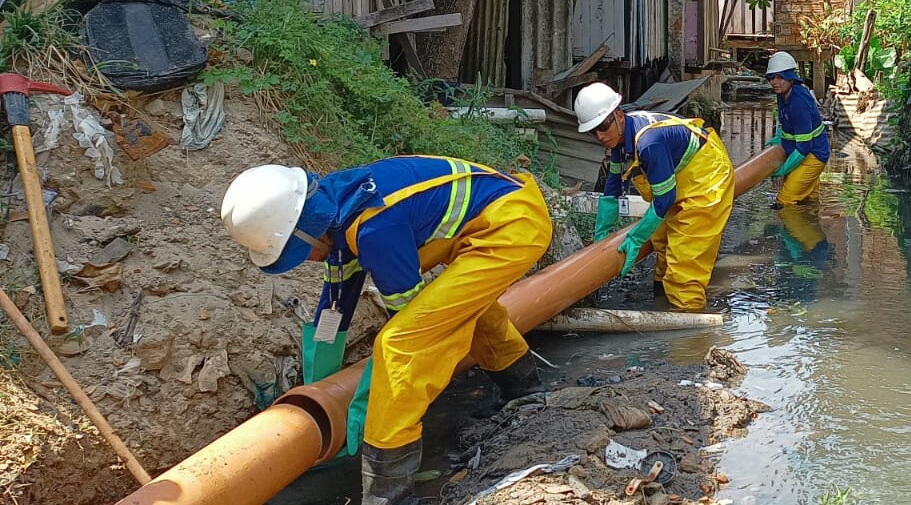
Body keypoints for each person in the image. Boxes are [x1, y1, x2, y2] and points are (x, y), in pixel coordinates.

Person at [219, 155, 551, 505]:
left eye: (299, 253)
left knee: (401, 345)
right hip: (488, 218)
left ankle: (388, 492)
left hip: (512, 224)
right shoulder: (341, 209)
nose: (306, 260)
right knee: (467, 311)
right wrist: (320, 388)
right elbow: (334, 308)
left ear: (306, 229)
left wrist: (363, 401)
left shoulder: (375, 226)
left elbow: (410, 330)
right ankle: (524, 391)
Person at [576, 82, 734, 311]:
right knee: (661, 240)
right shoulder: (621, 137)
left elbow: (665, 199)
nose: (600, 135)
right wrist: (602, 233)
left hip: (708, 178)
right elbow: (613, 184)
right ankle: (661, 300)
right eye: (593, 131)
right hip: (683, 172)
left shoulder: (649, 143)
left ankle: (690, 328)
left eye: (603, 126)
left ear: (618, 115)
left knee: (684, 260)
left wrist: (636, 238)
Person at [765, 51, 830, 208]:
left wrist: (782, 171)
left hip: (812, 155)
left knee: (784, 201)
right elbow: (786, 123)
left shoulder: (799, 102)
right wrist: (778, 138)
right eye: (771, 78)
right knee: (808, 201)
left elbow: (804, 147)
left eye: (780, 77)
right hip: (801, 153)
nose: (775, 82)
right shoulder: (783, 94)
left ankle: (790, 231)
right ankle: (811, 225)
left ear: (790, 78)